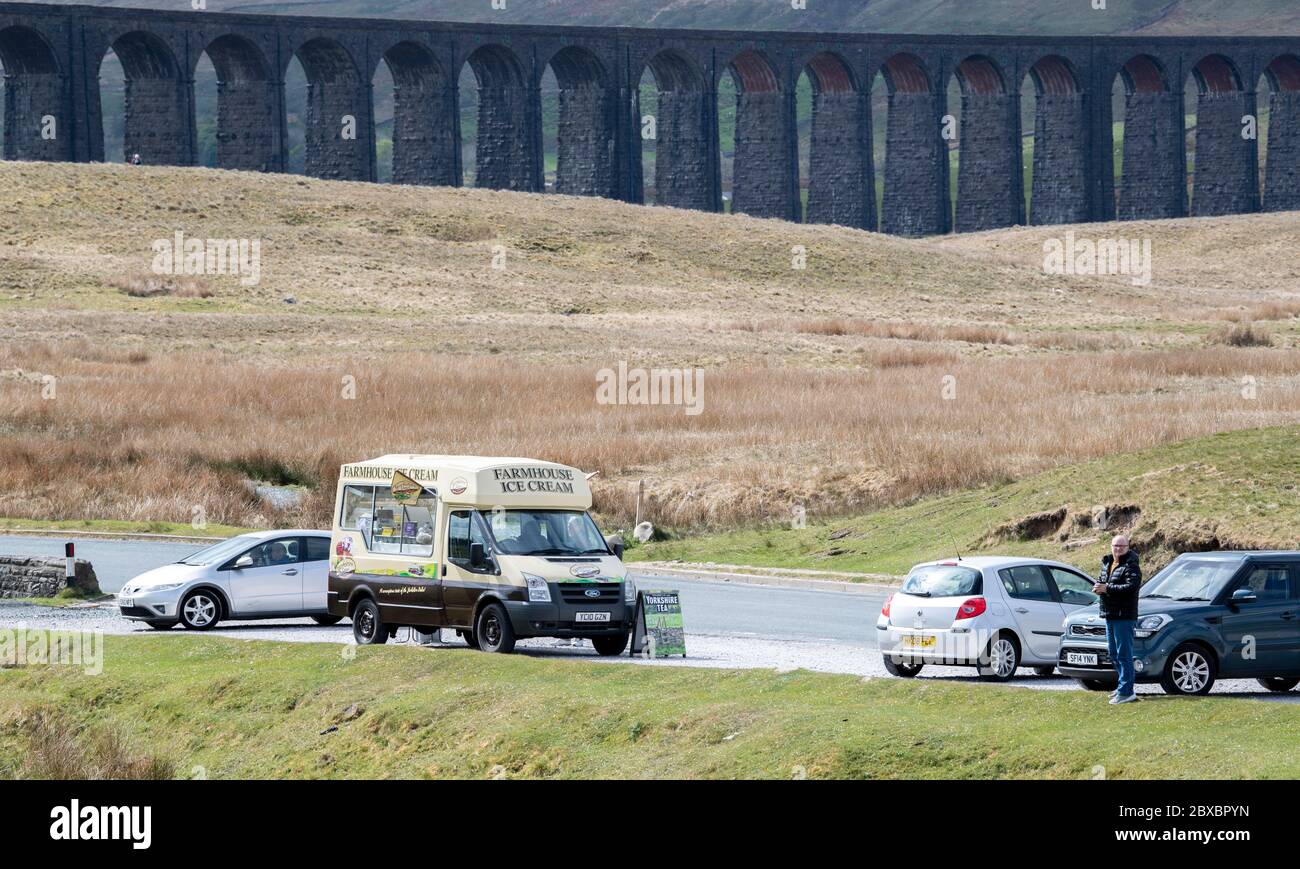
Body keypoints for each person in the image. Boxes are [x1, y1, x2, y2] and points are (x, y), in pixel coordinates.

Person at [1095, 535, 1142, 704]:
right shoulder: (1107, 562)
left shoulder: (1132, 565)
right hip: (1110, 614)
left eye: (1122, 546)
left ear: (1128, 547)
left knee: (1124, 654)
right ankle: (1122, 686)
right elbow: (1104, 581)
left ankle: (1126, 692)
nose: (1118, 549)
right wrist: (1098, 586)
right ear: (1111, 546)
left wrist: (1107, 588)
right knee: (1114, 653)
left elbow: (1131, 587)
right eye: (1115, 545)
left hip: (1124, 616)